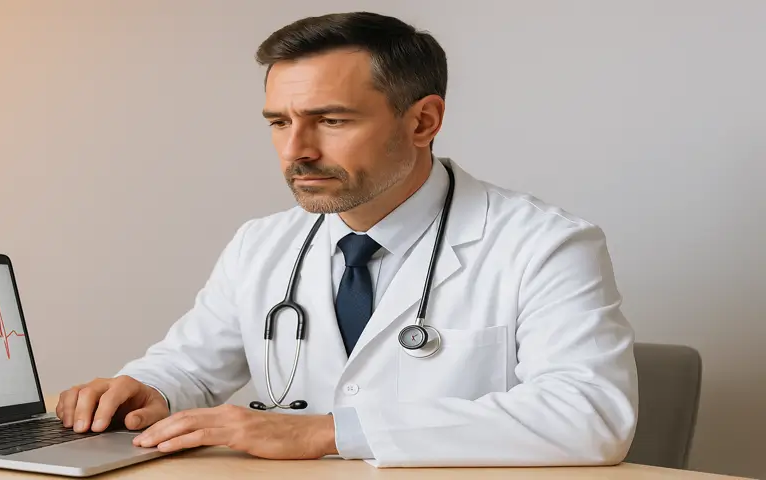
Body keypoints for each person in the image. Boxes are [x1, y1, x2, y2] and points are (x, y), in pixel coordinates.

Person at [55, 11, 638, 467]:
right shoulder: (262, 244)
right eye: (279, 122)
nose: (296, 150)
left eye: (331, 121)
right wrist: (147, 388)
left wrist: (327, 433)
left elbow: (588, 415)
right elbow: (194, 368)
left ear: (423, 122)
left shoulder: (544, 244)